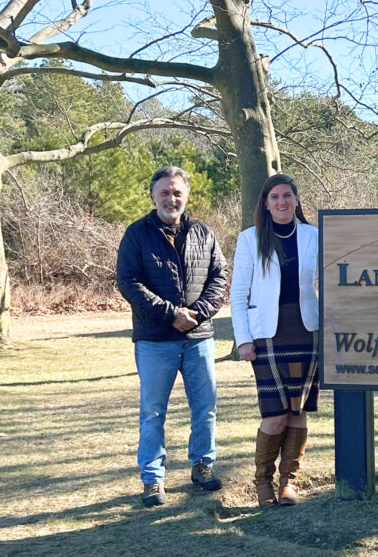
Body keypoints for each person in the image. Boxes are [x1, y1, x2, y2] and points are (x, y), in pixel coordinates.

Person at [116, 166, 228, 507]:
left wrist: (197, 314)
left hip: (199, 338)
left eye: (177, 192)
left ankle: (203, 467)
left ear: (186, 195)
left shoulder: (204, 234)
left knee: (205, 408)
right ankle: (153, 479)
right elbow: (129, 282)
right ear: (153, 195)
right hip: (154, 340)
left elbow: (220, 277)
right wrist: (171, 314)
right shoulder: (136, 234)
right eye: (164, 192)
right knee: (152, 412)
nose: (171, 198)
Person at [230, 173, 320, 507]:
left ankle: (289, 483)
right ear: (266, 205)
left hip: (307, 332)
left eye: (287, 196)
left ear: (297, 200)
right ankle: (263, 483)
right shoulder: (250, 239)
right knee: (274, 415)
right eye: (274, 197)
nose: (281, 202)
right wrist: (243, 340)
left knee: (297, 412)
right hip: (268, 336)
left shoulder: (315, 235)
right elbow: (238, 294)